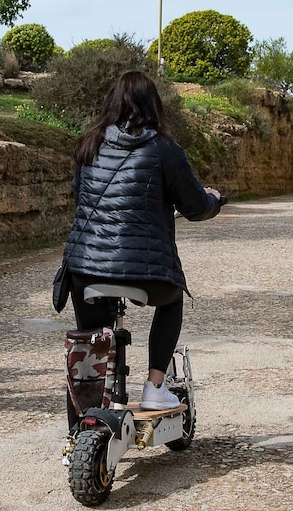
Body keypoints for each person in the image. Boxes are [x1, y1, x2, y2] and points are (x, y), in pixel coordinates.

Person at [61, 71, 222, 411]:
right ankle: (154, 387)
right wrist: (215, 200)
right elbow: (195, 207)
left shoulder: (88, 142)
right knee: (172, 300)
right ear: (154, 106)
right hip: (143, 271)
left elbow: (79, 195)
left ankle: (88, 406)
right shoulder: (165, 150)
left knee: (93, 336)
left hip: (85, 268)